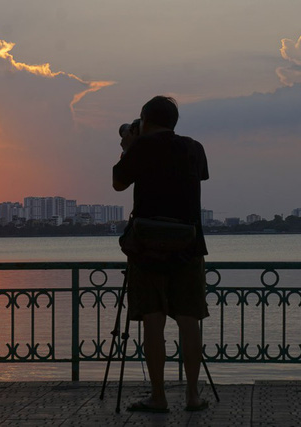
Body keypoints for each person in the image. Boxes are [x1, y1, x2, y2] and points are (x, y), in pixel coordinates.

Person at [112, 96, 210, 412]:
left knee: (153, 321)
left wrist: (129, 146)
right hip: (188, 245)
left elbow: (118, 183)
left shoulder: (140, 148)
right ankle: (193, 396)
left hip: (146, 248)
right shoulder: (194, 148)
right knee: (189, 319)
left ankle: (159, 397)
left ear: (145, 120)